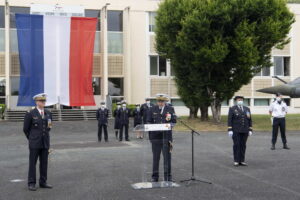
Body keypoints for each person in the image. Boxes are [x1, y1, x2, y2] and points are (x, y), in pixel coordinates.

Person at [23, 93, 53, 191]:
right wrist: (32, 138)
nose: (43, 102)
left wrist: (45, 138)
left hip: (45, 142)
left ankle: (43, 182)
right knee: (33, 163)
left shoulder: (48, 113)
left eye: (44, 101)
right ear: (36, 102)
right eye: (41, 101)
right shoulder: (30, 113)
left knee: (44, 163)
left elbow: (49, 127)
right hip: (34, 143)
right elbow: (25, 129)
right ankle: (31, 183)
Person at [147, 94, 177, 182]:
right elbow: (148, 121)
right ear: (157, 101)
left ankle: (168, 176)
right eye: (159, 101)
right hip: (155, 137)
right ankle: (155, 177)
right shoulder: (152, 109)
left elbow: (174, 122)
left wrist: (169, 125)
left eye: (162, 101)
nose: (160, 103)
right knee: (156, 158)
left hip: (167, 137)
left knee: (167, 158)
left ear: (165, 102)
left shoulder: (170, 109)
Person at [228, 96, 253, 167]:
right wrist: (230, 129)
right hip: (236, 130)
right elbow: (230, 120)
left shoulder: (247, 109)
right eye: (239, 100)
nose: (240, 101)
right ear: (236, 101)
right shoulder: (232, 109)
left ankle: (242, 160)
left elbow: (249, 119)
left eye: (241, 100)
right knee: (236, 145)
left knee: (243, 145)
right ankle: (236, 160)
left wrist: (250, 129)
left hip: (245, 130)